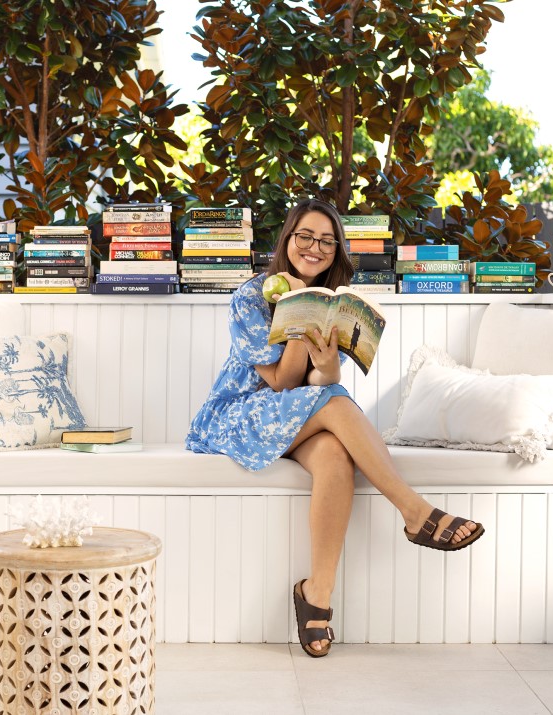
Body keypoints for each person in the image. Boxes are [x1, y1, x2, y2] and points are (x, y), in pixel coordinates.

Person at [186, 198, 484, 657]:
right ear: (287, 240)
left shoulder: (336, 304)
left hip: (298, 416)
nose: (314, 247)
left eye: (327, 241)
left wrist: (327, 365)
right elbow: (283, 381)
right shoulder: (250, 296)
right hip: (239, 415)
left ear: (337, 251)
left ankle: (316, 593)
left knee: (335, 455)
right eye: (305, 236)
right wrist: (295, 316)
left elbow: (316, 381)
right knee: (333, 400)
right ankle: (415, 513)